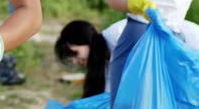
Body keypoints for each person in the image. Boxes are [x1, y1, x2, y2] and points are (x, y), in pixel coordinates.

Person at [55, 18, 199, 99]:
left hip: (189, 47)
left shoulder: (117, 36)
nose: (75, 61)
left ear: (85, 40)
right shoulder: (103, 62)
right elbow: (109, 95)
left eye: (74, 52)